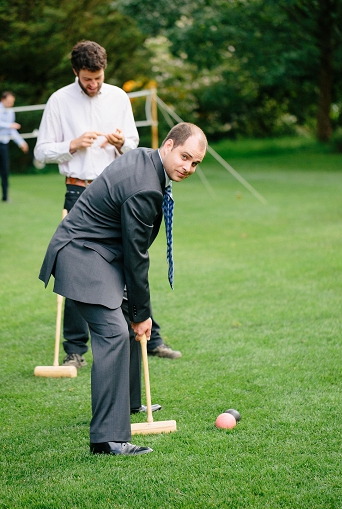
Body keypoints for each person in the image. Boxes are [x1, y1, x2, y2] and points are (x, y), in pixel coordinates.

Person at [39, 122, 207, 455]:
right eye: (185, 157)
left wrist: (136, 311)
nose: (187, 167)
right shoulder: (145, 185)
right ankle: (107, 438)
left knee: (127, 328)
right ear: (169, 145)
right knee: (115, 332)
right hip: (81, 255)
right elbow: (136, 256)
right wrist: (142, 315)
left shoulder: (146, 160)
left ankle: (129, 404)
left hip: (100, 254)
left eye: (195, 163)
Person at [33, 40, 182, 385]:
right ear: (76, 72)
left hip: (122, 190)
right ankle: (75, 348)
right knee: (79, 269)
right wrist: (72, 145)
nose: (94, 84)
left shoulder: (118, 97)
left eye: (98, 77)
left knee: (132, 258)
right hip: (80, 191)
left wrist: (120, 143)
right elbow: (41, 150)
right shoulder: (59, 100)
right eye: (87, 78)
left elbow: (133, 143)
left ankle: (149, 336)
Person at [0, 91, 29, 202]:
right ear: (2, 100)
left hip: (4, 144)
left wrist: (21, 143)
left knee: (5, 171)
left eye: (12, 102)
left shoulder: (11, 111)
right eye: (8, 102)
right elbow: (9, 126)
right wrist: (10, 125)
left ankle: (5, 196)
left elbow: (12, 131)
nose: (10, 104)